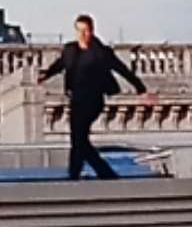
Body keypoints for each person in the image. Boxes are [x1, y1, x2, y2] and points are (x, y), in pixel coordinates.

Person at [40, 15, 151, 180]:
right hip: (76, 100)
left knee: (78, 137)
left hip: (94, 100)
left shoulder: (102, 53)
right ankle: (90, 173)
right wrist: (45, 75)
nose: (83, 34)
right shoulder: (70, 50)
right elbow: (59, 65)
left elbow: (122, 70)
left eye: (86, 30)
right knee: (78, 139)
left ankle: (84, 173)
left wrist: (141, 89)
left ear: (92, 31)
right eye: (80, 31)